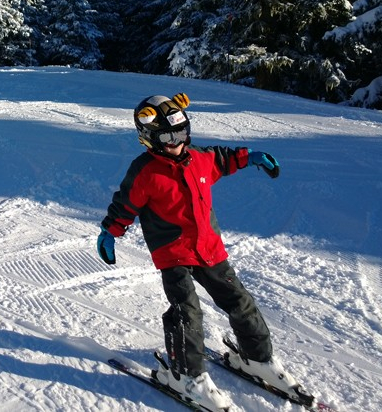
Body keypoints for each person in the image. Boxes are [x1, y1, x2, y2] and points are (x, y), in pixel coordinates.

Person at [97, 93, 300, 412]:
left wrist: (252, 157)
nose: (177, 142)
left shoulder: (200, 158)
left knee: (240, 302)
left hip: (209, 250)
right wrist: (110, 232)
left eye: (181, 134)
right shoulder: (146, 171)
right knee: (187, 311)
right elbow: (125, 204)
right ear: (150, 139)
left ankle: (257, 359)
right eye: (168, 137)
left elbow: (225, 158)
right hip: (173, 253)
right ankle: (186, 376)